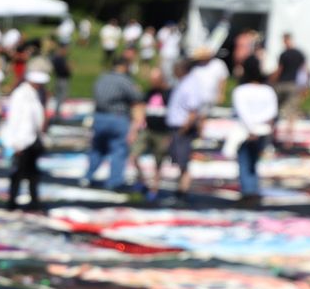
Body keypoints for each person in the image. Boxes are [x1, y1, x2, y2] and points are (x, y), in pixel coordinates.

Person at [84, 53, 142, 190]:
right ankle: (114, 181)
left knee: (97, 149)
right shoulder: (124, 81)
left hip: (99, 117)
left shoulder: (102, 79)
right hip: (117, 118)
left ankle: (88, 176)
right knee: (118, 150)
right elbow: (137, 98)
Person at [165, 55, 214, 203]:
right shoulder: (184, 82)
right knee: (179, 161)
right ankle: (180, 190)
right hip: (179, 127)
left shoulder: (190, 84)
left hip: (183, 128)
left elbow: (193, 111)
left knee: (183, 161)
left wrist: (183, 129)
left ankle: (183, 193)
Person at [2, 65, 49, 209]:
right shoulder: (21, 94)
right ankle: (12, 202)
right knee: (18, 172)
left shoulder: (33, 94)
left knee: (32, 172)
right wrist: (14, 142)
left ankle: (33, 200)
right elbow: (14, 119)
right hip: (22, 140)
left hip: (32, 139)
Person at [231, 62, 277, 202]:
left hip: (247, 130)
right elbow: (272, 112)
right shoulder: (268, 90)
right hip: (262, 129)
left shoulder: (241, 90)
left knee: (245, 159)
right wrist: (260, 124)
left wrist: (251, 128)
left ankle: (248, 190)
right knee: (254, 160)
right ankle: (253, 188)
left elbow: (242, 112)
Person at [133, 65, 174, 202]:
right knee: (134, 155)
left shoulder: (169, 94)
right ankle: (142, 180)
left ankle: (154, 189)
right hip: (148, 130)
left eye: (154, 79)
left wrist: (170, 135)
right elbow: (141, 107)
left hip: (162, 133)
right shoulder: (150, 92)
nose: (151, 81)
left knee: (158, 162)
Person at [273, 34, 307, 148]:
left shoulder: (284, 54)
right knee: (291, 112)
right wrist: (305, 85)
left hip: (283, 84)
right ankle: (289, 139)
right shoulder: (299, 54)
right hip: (293, 84)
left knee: (277, 110)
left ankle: (274, 135)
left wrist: (272, 81)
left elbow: (279, 70)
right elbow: (305, 70)